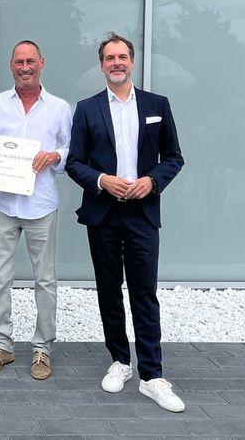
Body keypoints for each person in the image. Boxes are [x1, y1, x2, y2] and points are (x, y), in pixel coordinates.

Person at [66, 32, 185, 412]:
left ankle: (152, 374)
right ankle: (120, 361)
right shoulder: (86, 108)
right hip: (103, 211)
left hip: (142, 212)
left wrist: (152, 181)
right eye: (109, 58)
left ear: (131, 62)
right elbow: (74, 163)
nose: (116, 63)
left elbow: (174, 157)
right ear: (101, 65)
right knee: (108, 290)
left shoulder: (157, 105)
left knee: (144, 292)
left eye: (122, 56)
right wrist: (103, 180)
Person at [0, 41, 70, 380]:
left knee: (45, 280)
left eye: (31, 61)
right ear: (11, 65)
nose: (25, 67)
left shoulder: (59, 108)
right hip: (2, 203)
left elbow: (71, 148)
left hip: (41, 204)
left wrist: (56, 156)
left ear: (42, 63)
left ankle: (42, 349)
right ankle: (2, 345)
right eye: (19, 61)